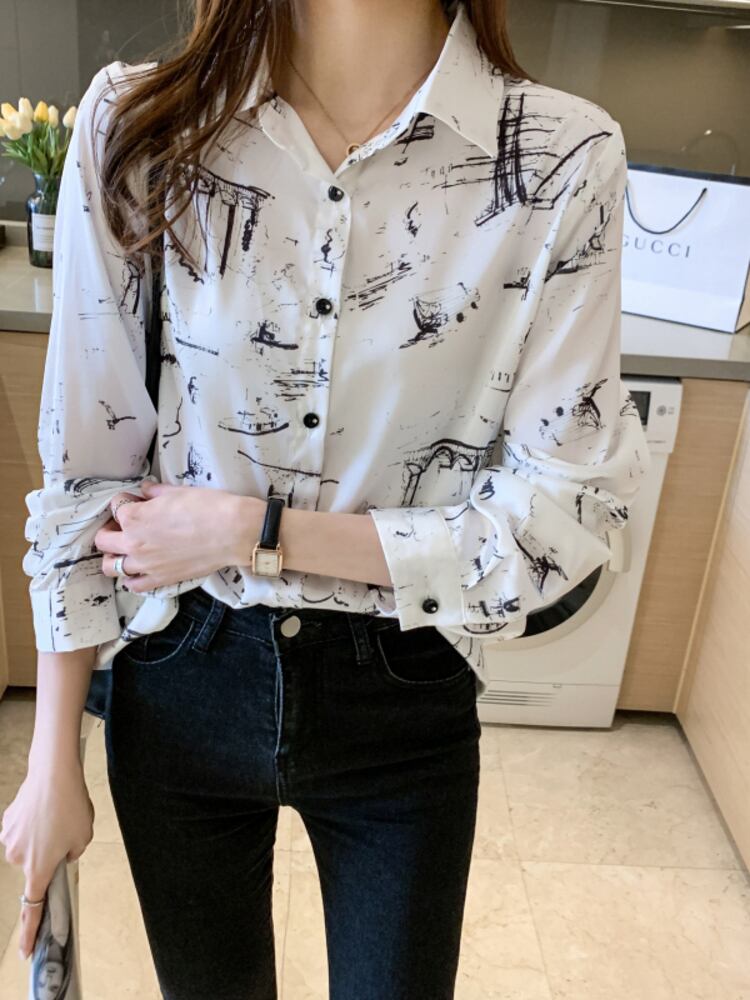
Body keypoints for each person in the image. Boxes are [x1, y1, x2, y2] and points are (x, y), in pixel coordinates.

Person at [1, 0, 651, 997]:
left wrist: (253, 532)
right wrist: (52, 760)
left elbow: (560, 518)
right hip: (184, 678)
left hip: (403, 689)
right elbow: (88, 466)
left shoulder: (558, 161)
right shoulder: (141, 127)